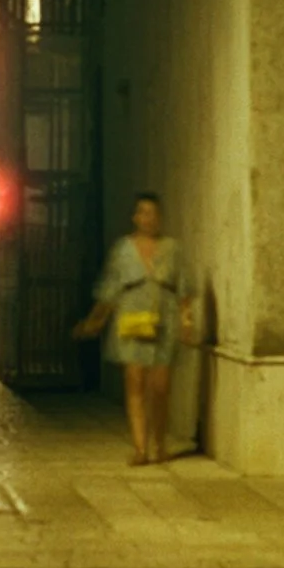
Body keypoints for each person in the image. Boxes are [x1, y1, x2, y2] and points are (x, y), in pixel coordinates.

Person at [74, 192, 195, 465]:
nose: (147, 218)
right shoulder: (123, 249)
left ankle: (159, 443)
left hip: (164, 318)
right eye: (142, 212)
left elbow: (184, 289)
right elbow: (110, 289)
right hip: (131, 317)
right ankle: (141, 448)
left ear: (160, 218)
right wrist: (96, 320)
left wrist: (187, 321)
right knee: (135, 381)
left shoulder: (172, 249)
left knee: (161, 385)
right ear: (135, 217)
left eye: (152, 213)